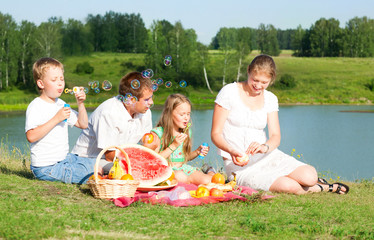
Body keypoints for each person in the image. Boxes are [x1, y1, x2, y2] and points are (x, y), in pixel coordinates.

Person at [211, 54, 349, 195]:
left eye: (264, 82)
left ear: (272, 79)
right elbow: (215, 134)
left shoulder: (270, 99)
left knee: (310, 176)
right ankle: (326, 187)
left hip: (268, 157)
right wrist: (232, 150)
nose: (258, 86)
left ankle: (313, 182)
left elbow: (276, 136)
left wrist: (264, 147)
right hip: (239, 167)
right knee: (291, 187)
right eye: (255, 80)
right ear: (248, 70)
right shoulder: (229, 92)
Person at [25, 57, 94, 184]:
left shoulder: (61, 104)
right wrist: (57, 118)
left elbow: (83, 124)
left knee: (96, 163)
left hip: (63, 160)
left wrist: (80, 103)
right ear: (41, 84)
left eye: (61, 79)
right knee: (94, 173)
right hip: (46, 168)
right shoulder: (36, 106)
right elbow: (31, 136)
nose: (60, 83)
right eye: (54, 80)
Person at [72, 72, 154, 172]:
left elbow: (147, 144)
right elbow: (109, 156)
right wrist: (138, 159)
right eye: (147, 99)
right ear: (130, 100)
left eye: (151, 97)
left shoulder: (146, 112)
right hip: (88, 160)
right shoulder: (108, 112)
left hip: (119, 159)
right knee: (126, 171)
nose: (151, 102)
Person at [143, 94, 213, 185]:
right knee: (181, 177)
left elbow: (184, 158)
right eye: (182, 114)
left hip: (183, 168)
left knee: (207, 181)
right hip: (166, 170)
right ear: (169, 114)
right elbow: (154, 160)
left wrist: (197, 152)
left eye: (188, 114)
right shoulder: (159, 133)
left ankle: (209, 170)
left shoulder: (186, 132)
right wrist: (174, 145)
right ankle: (195, 178)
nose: (186, 117)